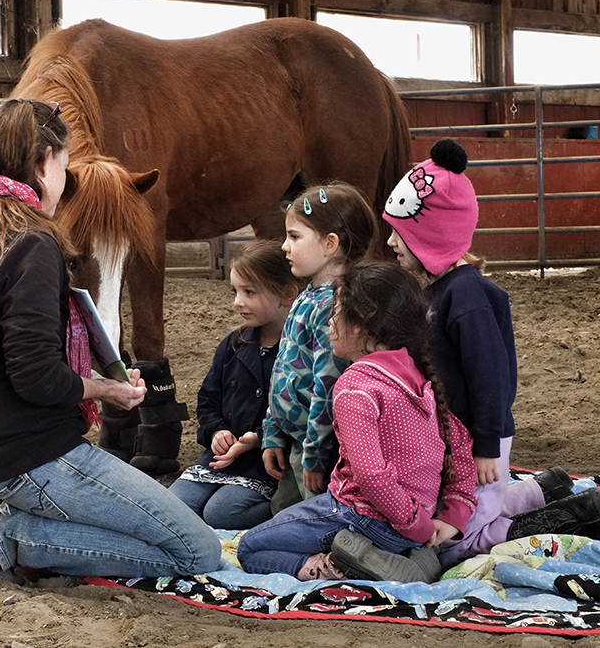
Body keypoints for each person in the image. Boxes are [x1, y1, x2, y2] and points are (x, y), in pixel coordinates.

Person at [0, 99, 221, 582]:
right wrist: (105, 390)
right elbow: (35, 376)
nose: (64, 176)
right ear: (42, 163)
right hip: (29, 451)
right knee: (196, 551)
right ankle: (12, 537)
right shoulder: (30, 242)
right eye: (63, 163)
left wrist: (91, 377)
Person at [383, 138, 600, 568]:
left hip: (479, 439)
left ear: (431, 234)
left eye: (400, 232)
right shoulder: (441, 291)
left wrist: (487, 445)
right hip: (463, 439)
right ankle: (544, 488)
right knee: (470, 510)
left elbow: (490, 375)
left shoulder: (465, 296)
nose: (390, 241)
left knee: (459, 541)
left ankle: (575, 517)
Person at [237, 262, 477, 582]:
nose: (330, 324)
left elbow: (370, 475)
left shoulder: (355, 386)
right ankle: (413, 557)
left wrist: (413, 525)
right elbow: (460, 443)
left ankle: (335, 566)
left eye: (335, 314)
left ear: (359, 325)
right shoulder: (418, 375)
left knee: (250, 548)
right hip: (419, 524)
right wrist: (453, 514)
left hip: (367, 519)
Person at [262, 183, 378, 514]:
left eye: (294, 237)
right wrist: (272, 432)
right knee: (282, 514)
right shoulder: (307, 296)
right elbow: (284, 369)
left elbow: (328, 387)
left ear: (330, 244)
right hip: (295, 442)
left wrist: (314, 455)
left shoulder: (334, 305)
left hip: (317, 452)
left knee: (318, 519)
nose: (284, 246)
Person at [168, 241, 301, 529]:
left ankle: (286, 507)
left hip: (267, 462)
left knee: (222, 514)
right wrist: (216, 430)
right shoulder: (234, 344)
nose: (237, 302)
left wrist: (258, 439)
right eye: (236, 291)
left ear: (287, 294)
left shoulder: (298, 350)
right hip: (218, 459)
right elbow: (208, 398)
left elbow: (298, 413)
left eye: (249, 292)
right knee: (175, 505)